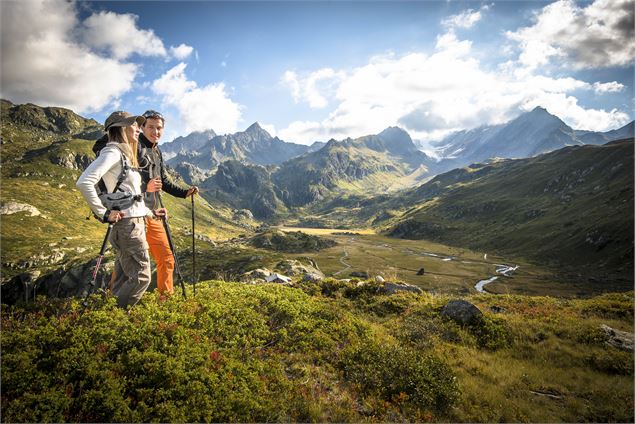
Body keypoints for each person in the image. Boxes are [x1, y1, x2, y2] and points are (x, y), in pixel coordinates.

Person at [76, 111, 167, 309]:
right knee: (142, 276)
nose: (138, 129)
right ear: (121, 128)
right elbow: (84, 182)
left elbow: (131, 196)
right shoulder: (112, 153)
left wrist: (151, 213)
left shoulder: (125, 154)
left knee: (124, 277)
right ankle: (119, 316)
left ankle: (110, 316)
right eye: (134, 125)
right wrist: (104, 213)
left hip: (133, 222)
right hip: (128, 227)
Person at [138, 110, 198, 297]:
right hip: (135, 212)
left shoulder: (157, 150)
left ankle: (165, 303)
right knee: (131, 263)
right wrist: (144, 187)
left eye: (159, 128)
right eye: (151, 127)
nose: (155, 131)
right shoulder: (134, 147)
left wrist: (184, 192)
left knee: (166, 258)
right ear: (142, 127)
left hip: (154, 214)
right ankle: (115, 304)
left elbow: (162, 181)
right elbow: (124, 181)